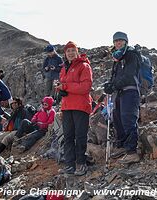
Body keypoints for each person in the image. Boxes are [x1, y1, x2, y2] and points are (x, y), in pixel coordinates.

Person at [55, 41, 92, 176]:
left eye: (72, 50)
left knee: (80, 135)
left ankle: (81, 164)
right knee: (68, 136)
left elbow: (85, 88)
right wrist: (61, 91)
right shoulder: (64, 68)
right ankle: (69, 165)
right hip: (67, 106)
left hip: (81, 106)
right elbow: (65, 86)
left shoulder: (84, 66)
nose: (70, 53)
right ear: (65, 54)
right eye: (67, 51)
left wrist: (65, 87)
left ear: (77, 52)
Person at [103, 31, 141, 164]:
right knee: (117, 119)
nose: (118, 43)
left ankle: (132, 152)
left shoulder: (131, 54)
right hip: (119, 93)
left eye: (121, 40)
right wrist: (110, 85)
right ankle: (123, 146)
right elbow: (116, 75)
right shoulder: (117, 57)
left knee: (128, 119)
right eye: (116, 41)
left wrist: (114, 86)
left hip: (130, 92)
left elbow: (129, 75)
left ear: (126, 41)